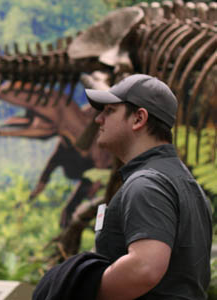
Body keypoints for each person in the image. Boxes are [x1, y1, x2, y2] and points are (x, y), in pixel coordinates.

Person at [85, 74, 212, 299]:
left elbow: (144, 269)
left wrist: (79, 289)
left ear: (138, 118)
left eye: (110, 111)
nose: (99, 119)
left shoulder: (147, 184)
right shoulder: (184, 182)